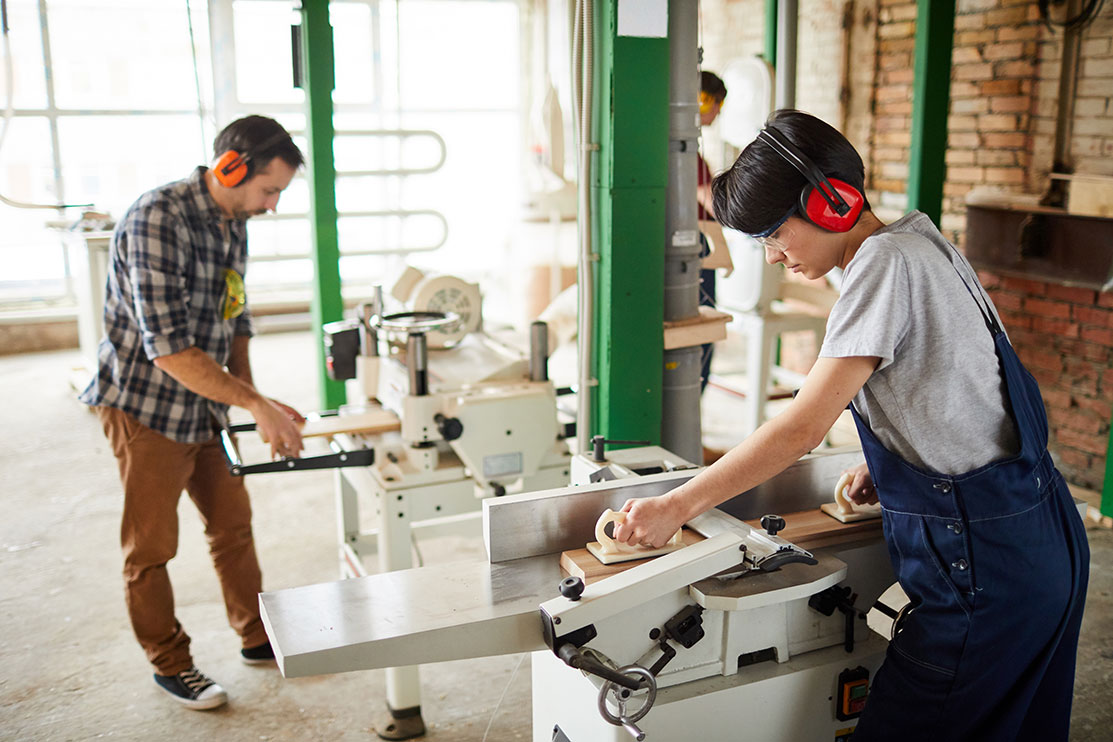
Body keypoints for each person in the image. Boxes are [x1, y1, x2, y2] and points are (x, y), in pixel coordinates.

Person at [613, 109, 1089, 740]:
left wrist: (675, 505)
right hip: (1044, 540)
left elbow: (800, 429)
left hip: (983, 567)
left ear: (832, 202)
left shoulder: (881, 265)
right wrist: (892, 452)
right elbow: (966, 382)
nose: (775, 257)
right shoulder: (922, 241)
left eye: (775, 236)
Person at [80, 115, 307, 710]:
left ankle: (256, 637)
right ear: (231, 166)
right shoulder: (157, 219)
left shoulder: (235, 221)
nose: (273, 205)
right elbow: (171, 350)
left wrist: (255, 403)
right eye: (268, 190)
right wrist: (254, 403)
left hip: (208, 407)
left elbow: (235, 317)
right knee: (151, 548)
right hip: (146, 407)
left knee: (232, 526)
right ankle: (170, 663)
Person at [696, 71, 729, 395]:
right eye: (717, 104)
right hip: (696, 256)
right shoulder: (686, 157)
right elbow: (710, 201)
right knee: (701, 336)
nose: (717, 112)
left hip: (695, 252)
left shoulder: (688, 153)